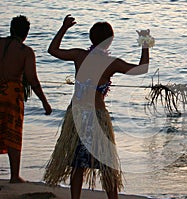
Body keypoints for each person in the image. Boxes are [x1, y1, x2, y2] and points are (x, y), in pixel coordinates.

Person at [43, 15, 151, 199]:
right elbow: (142, 69)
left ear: (91, 38)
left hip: (77, 117)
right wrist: (145, 43)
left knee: (78, 164)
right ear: (109, 41)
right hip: (97, 118)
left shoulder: (79, 55)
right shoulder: (111, 63)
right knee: (107, 165)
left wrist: (64, 28)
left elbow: (52, 50)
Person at [0, 15, 52, 183]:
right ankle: (14, 176)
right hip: (11, 96)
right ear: (26, 33)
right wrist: (45, 102)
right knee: (13, 135)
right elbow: (32, 79)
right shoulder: (25, 52)